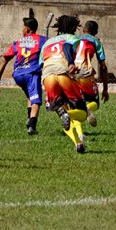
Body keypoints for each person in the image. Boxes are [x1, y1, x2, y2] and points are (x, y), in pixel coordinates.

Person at [0, 17, 48, 135]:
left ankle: (29, 119)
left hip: (18, 75)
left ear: (28, 29)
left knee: (31, 96)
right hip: (32, 73)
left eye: (23, 27)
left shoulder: (18, 42)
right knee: (36, 100)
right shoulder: (42, 40)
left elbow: (4, 60)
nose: (22, 29)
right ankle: (32, 126)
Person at [40, 15, 89, 153]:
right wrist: (71, 63)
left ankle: (78, 143)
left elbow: (41, 63)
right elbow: (67, 47)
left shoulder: (47, 43)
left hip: (48, 77)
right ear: (74, 28)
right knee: (82, 113)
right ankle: (69, 116)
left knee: (63, 114)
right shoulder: (72, 39)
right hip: (63, 74)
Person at [73, 20, 110, 127]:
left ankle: (74, 127)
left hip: (70, 72)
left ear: (84, 30)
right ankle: (88, 108)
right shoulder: (96, 41)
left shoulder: (75, 39)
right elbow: (103, 66)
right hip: (85, 73)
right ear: (96, 32)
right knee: (95, 103)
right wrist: (105, 89)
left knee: (75, 105)